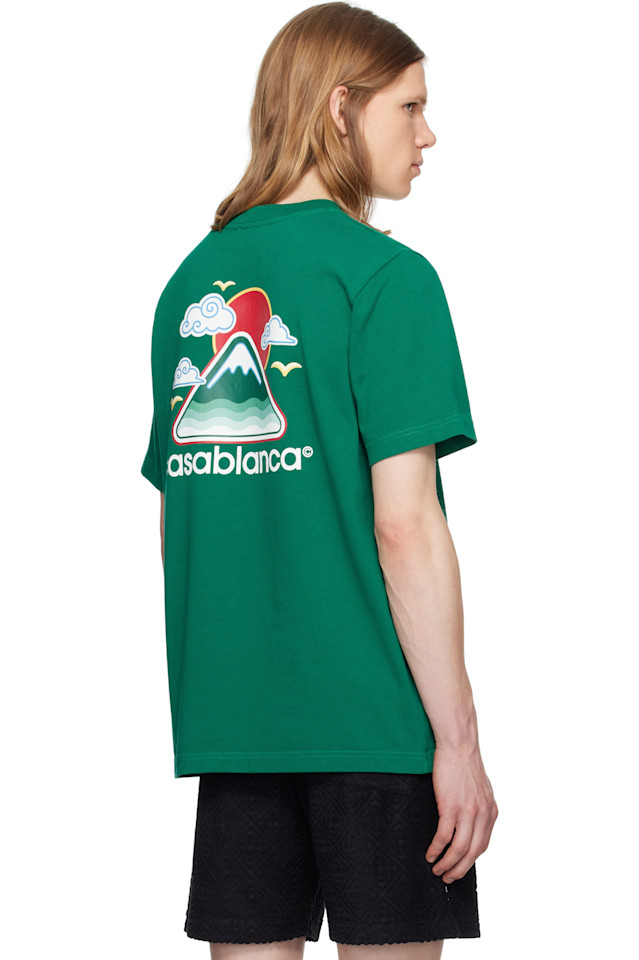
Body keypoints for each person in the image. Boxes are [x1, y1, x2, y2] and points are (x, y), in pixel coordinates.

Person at [141, 3, 498, 958]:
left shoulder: (188, 286)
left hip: (235, 729)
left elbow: (181, 523)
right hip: (373, 724)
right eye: (409, 107)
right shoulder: (386, 278)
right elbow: (404, 526)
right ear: (341, 109)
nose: (427, 134)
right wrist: (457, 744)